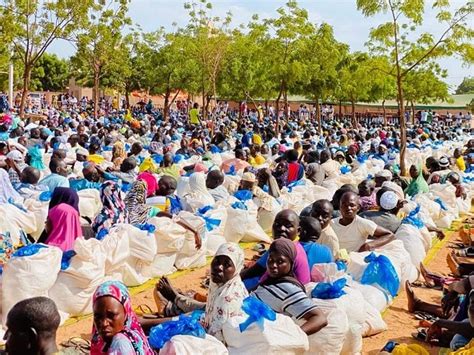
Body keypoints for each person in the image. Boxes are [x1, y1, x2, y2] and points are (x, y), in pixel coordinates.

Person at [149, 243, 248, 343]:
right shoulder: (225, 285)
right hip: (209, 325)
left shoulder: (228, 300)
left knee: (187, 322)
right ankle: (173, 302)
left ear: (237, 270)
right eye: (217, 261)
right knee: (195, 315)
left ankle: (163, 312)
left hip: (217, 345)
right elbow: (208, 310)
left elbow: (216, 344)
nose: (219, 267)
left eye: (227, 265)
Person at [251, 238, 328, 336]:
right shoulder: (271, 281)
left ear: (291, 264)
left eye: (280, 262)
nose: (273, 265)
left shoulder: (289, 289)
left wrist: (293, 337)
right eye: (271, 260)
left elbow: (320, 318)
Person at [241, 210, 311, 290]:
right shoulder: (285, 245)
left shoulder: (285, 250)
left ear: (298, 231)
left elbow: (256, 270)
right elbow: (259, 267)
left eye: (288, 226)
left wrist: (233, 279)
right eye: (277, 224)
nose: (281, 229)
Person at [91, 280, 153, 354]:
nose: (104, 323)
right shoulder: (131, 335)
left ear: (125, 314)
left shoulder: (121, 345)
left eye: (111, 316)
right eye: (98, 317)